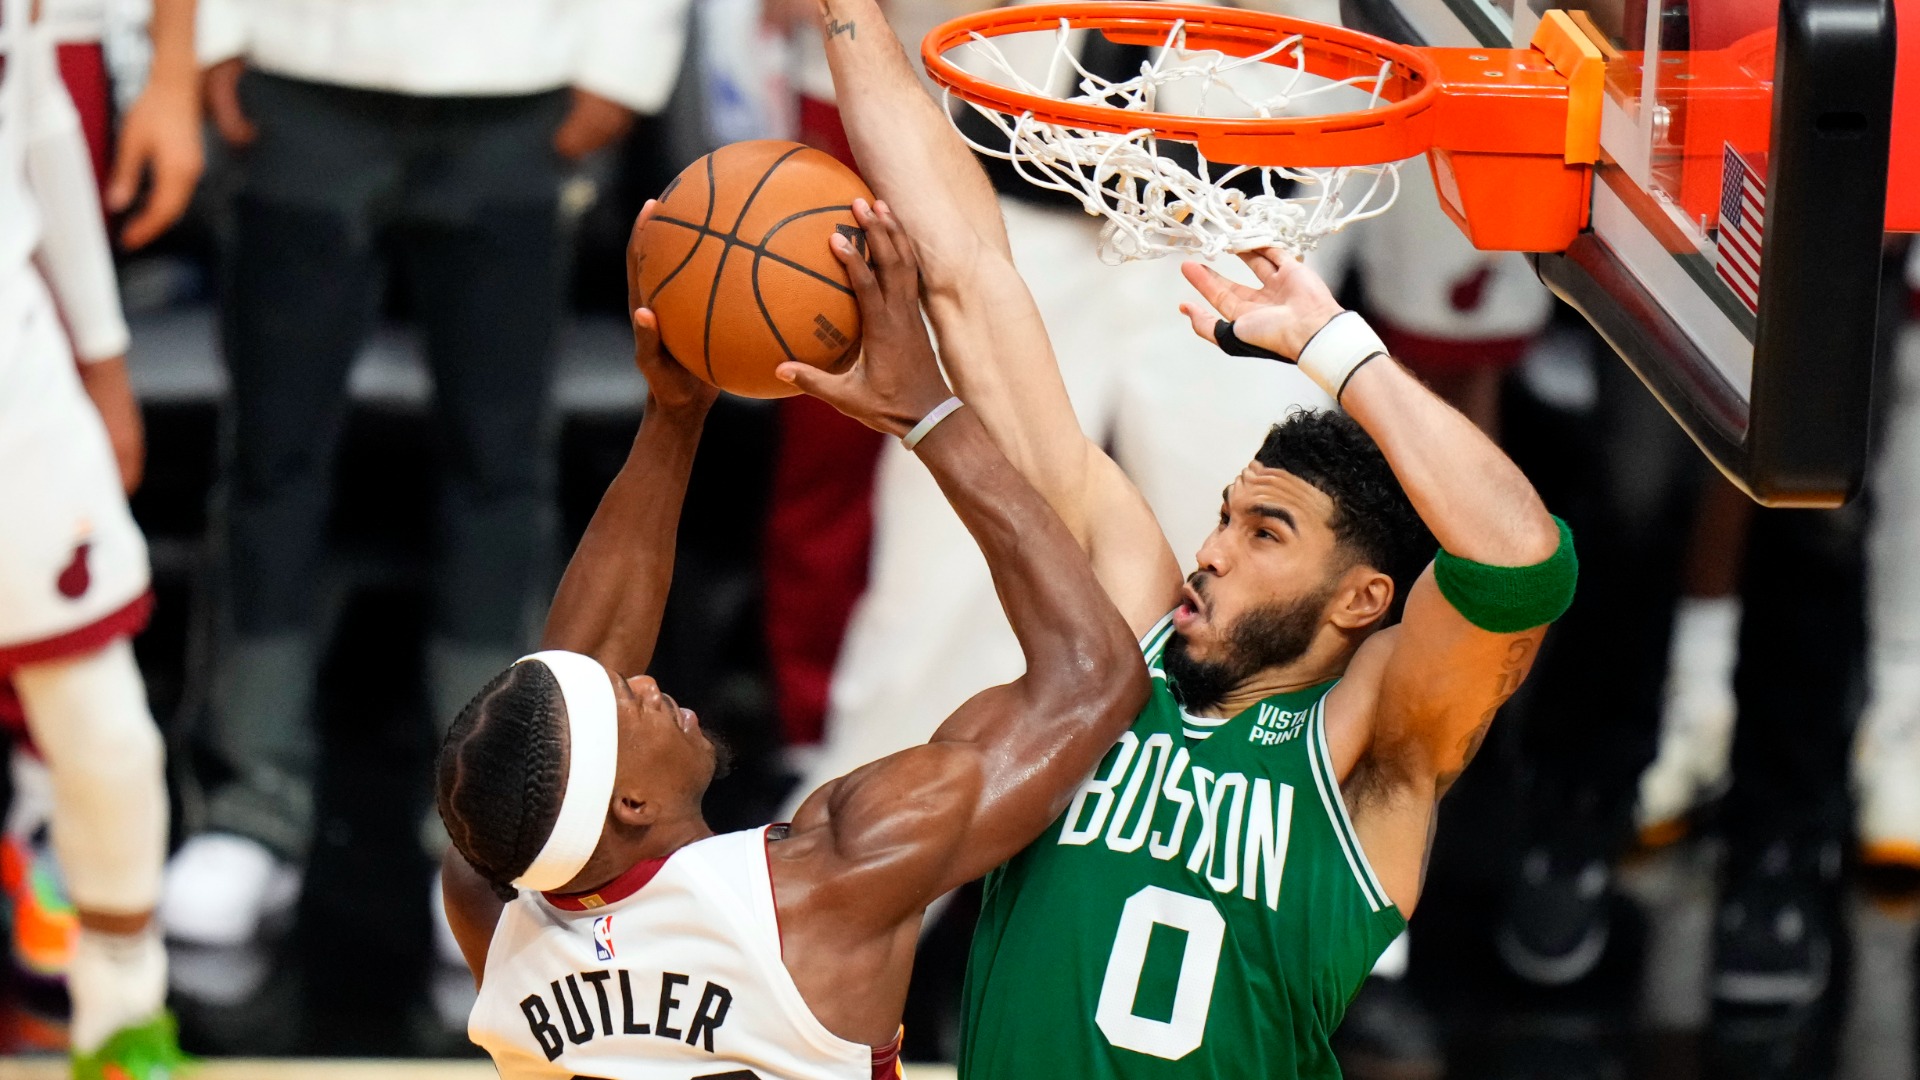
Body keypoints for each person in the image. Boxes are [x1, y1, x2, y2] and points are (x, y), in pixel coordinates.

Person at [814, 2, 1577, 1075]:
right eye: (1226, 517)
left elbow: (1520, 563)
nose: (1210, 550)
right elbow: (968, 276)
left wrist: (1337, 349)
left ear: (1364, 597)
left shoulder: (1369, 758)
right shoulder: (1122, 652)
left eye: (1264, 531)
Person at [435, 201, 1150, 1077]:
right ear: (628, 805)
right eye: (630, 703)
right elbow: (1094, 680)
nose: (646, 682)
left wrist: (674, 415)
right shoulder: (830, 883)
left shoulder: (493, 917)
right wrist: (926, 411)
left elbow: (567, 704)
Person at [159, 0, 693, 946]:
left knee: (499, 470)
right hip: (298, 73)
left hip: (520, 84)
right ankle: (251, 805)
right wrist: (212, 35)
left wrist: (626, 55)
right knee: (271, 462)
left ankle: (488, 840)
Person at [0, 0, 189, 1073]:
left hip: (14, 364)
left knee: (110, 738)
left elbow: (42, 132)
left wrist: (104, 361)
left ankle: (123, 1022)